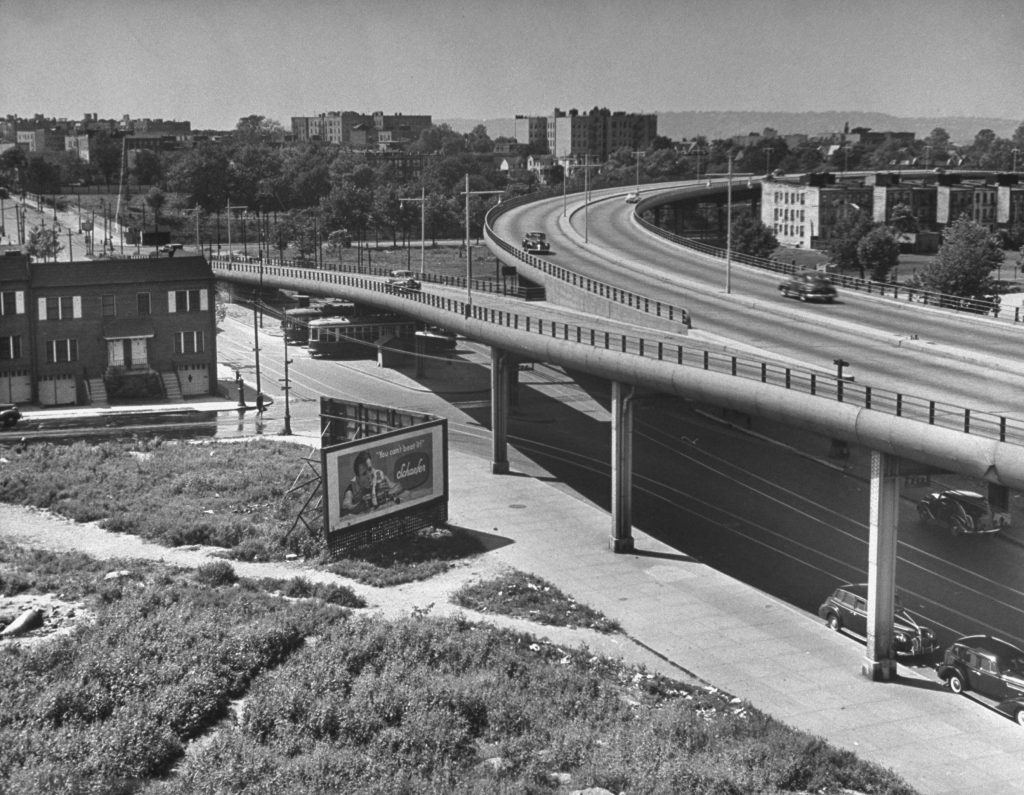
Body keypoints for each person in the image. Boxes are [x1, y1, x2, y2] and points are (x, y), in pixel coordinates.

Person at [341, 451, 403, 516]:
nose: (369, 476)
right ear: (358, 477)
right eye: (364, 474)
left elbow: (399, 486)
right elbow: (345, 509)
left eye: (370, 469)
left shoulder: (378, 476)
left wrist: (387, 493)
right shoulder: (350, 489)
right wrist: (360, 505)